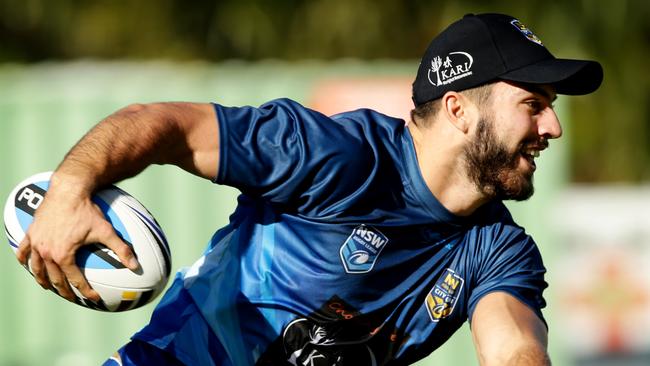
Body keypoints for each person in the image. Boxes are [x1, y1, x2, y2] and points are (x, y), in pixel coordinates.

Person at [17, 13, 602, 366]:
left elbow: (514, 348)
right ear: (458, 109)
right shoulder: (335, 156)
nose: (552, 127)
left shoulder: (498, 250)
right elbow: (164, 123)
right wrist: (72, 189)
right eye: (533, 105)